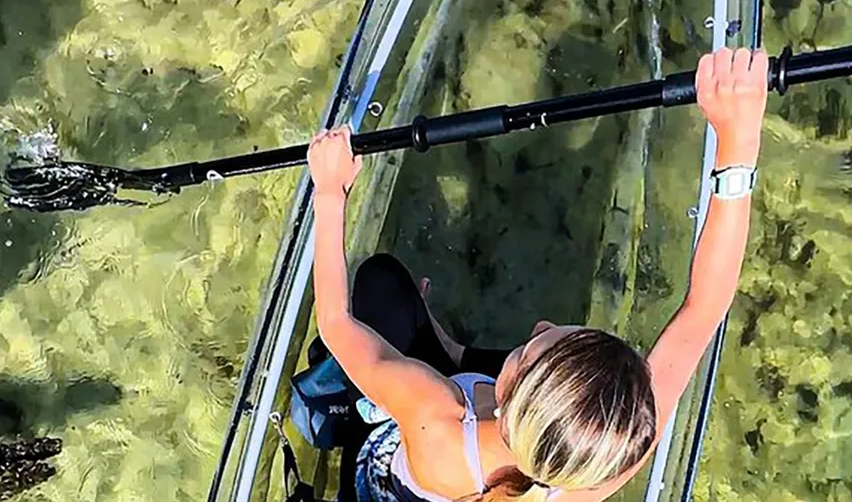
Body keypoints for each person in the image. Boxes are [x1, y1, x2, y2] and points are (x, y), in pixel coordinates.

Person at [305, 46, 767, 502]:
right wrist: (737, 143)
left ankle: (356, 404)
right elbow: (705, 308)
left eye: (529, 348)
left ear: (510, 400)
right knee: (437, 343)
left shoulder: (430, 408)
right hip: (485, 422)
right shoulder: (600, 457)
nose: (539, 326)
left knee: (379, 281)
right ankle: (449, 347)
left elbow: (335, 322)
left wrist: (329, 191)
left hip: (388, 471)